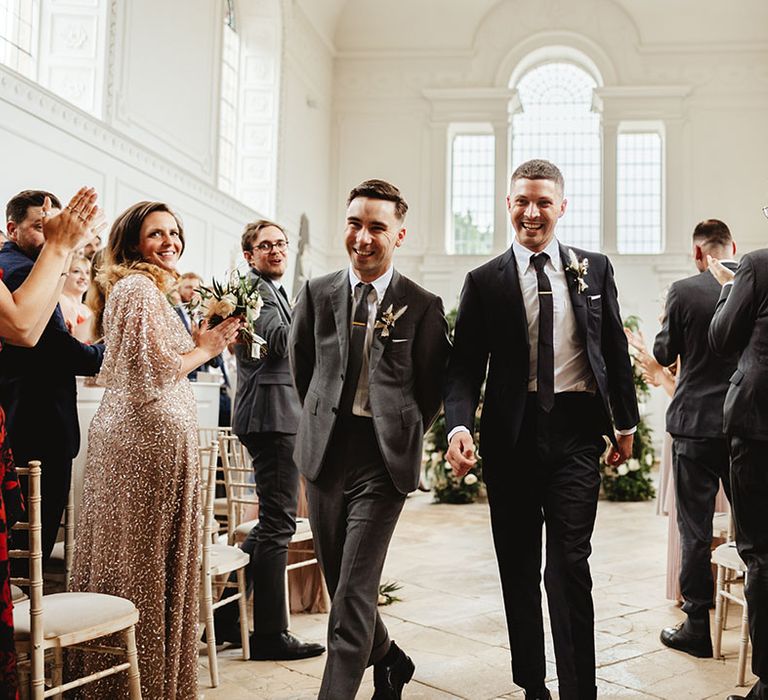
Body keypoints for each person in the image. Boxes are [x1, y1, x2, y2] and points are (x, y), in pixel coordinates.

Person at [444, 159, 638, 700]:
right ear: (508, 205)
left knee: (569, 564)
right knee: (519, 567)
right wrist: (459, 426)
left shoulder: (593, 269)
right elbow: (463, 368)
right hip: (510, 440)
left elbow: (614, 352)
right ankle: (533, 684)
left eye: (544, 202)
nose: (532, 212)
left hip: (576, 433)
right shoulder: (484, 282)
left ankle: (580, 690)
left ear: (561, 207)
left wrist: (625, 424)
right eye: (522, 201)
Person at [68, 201, 242, 699]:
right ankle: (131, 683)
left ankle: (139, 676)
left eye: (175, 233)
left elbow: (153, 361)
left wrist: (200, 338)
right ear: (132, 243)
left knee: (143, 560)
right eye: (156, 234)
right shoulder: (139, 289)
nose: (170, 242)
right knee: (141, 562)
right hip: (143, 446)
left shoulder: (147, 290)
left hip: (148, 439)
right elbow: (146, 376)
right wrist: (205, 350)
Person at [290, 179, 450, 699]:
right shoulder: (316, 292)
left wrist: (398, 430)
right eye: (355, 223)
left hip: (381, 462)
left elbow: (431, 389)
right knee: (341, 586)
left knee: (355, 591)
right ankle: (391, 660)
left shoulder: (422, 305)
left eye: (376, 227)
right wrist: (322, 422)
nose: (363, 237)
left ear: (399, 235)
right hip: (326, 454)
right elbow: (304, 370)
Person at [0, 187, 102, 699]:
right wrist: (114, 349)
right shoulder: (15, 268)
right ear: (13, 227)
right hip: (31, 428)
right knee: (28, 554)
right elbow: (46, 343)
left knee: (31, 552)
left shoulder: (36, 268)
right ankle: (23, 657)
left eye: (54, 224)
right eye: (40, 225)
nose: (52, 234)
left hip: (40, 425)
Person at [213, 219, 325, 660]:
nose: (276, 251)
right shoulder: (255, 291)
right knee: (278, 523)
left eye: (281, 244)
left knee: (272, 521)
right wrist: (311, 306)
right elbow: (278, 342)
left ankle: (223, 618)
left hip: (277, 414)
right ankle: (270, 635)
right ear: (249, 255)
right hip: (271, 416)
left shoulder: (270, 289)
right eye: (266, 246)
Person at [653, 219, 739, 657]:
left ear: (697, 253)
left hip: (694, 425)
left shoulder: (684, 291)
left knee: (695, 529)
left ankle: (697, 627)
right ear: (733, 247)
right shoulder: (754, 286)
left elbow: (664, 353)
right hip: (743, 425)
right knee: (753, 528)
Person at [708, 204, 768, 700]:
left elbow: (723, 338)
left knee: (761, 552)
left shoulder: (757, 263)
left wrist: (729, 288)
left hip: (760, 426)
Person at [59, 253, 94, 343]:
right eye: (76, 271)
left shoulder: (87, 309)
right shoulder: (62, 300)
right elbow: (72, 340)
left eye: (87, 273)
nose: (83, 277)